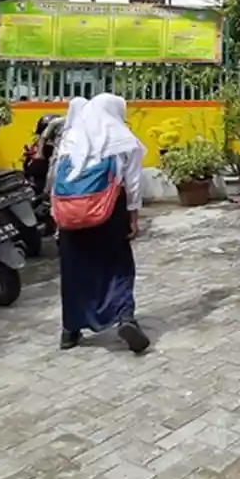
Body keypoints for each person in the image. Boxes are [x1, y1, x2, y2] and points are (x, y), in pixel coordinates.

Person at [54, 93, 149, 352]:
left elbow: (56, 181)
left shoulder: (70, 139)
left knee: (74, 271)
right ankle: (124, 317)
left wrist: (58, 218)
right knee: (117, 266)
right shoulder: (124, 141)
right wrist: (133, 215)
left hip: (71, 214)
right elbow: (134, 185)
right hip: (109, 212)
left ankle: (70, 330)